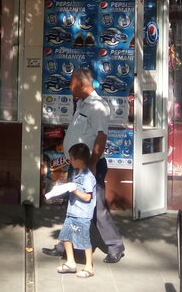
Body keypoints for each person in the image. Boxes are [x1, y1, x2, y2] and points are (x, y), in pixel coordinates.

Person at [43, 67, 126, 263]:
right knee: (72, 206)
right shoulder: (81, 103)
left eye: (72, 83)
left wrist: (93, 164)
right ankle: (63, 246)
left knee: (96, 207)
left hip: (90, 167)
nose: (69, 86)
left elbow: (101, 136)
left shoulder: (97, 106)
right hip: (77, 165)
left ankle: (115, 246)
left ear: (82, 84)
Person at [54, 142, 97, 279]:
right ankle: (70, 262)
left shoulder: (88, 177)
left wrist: (74, 191)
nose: (70, 161)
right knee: (66, 236)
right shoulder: (74, 173)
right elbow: (71, 186)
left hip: (82, 214)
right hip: (71, 211)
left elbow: (88, 197)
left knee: (84, 240)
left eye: (72, 159)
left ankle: (89, 267)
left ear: (79, 160)